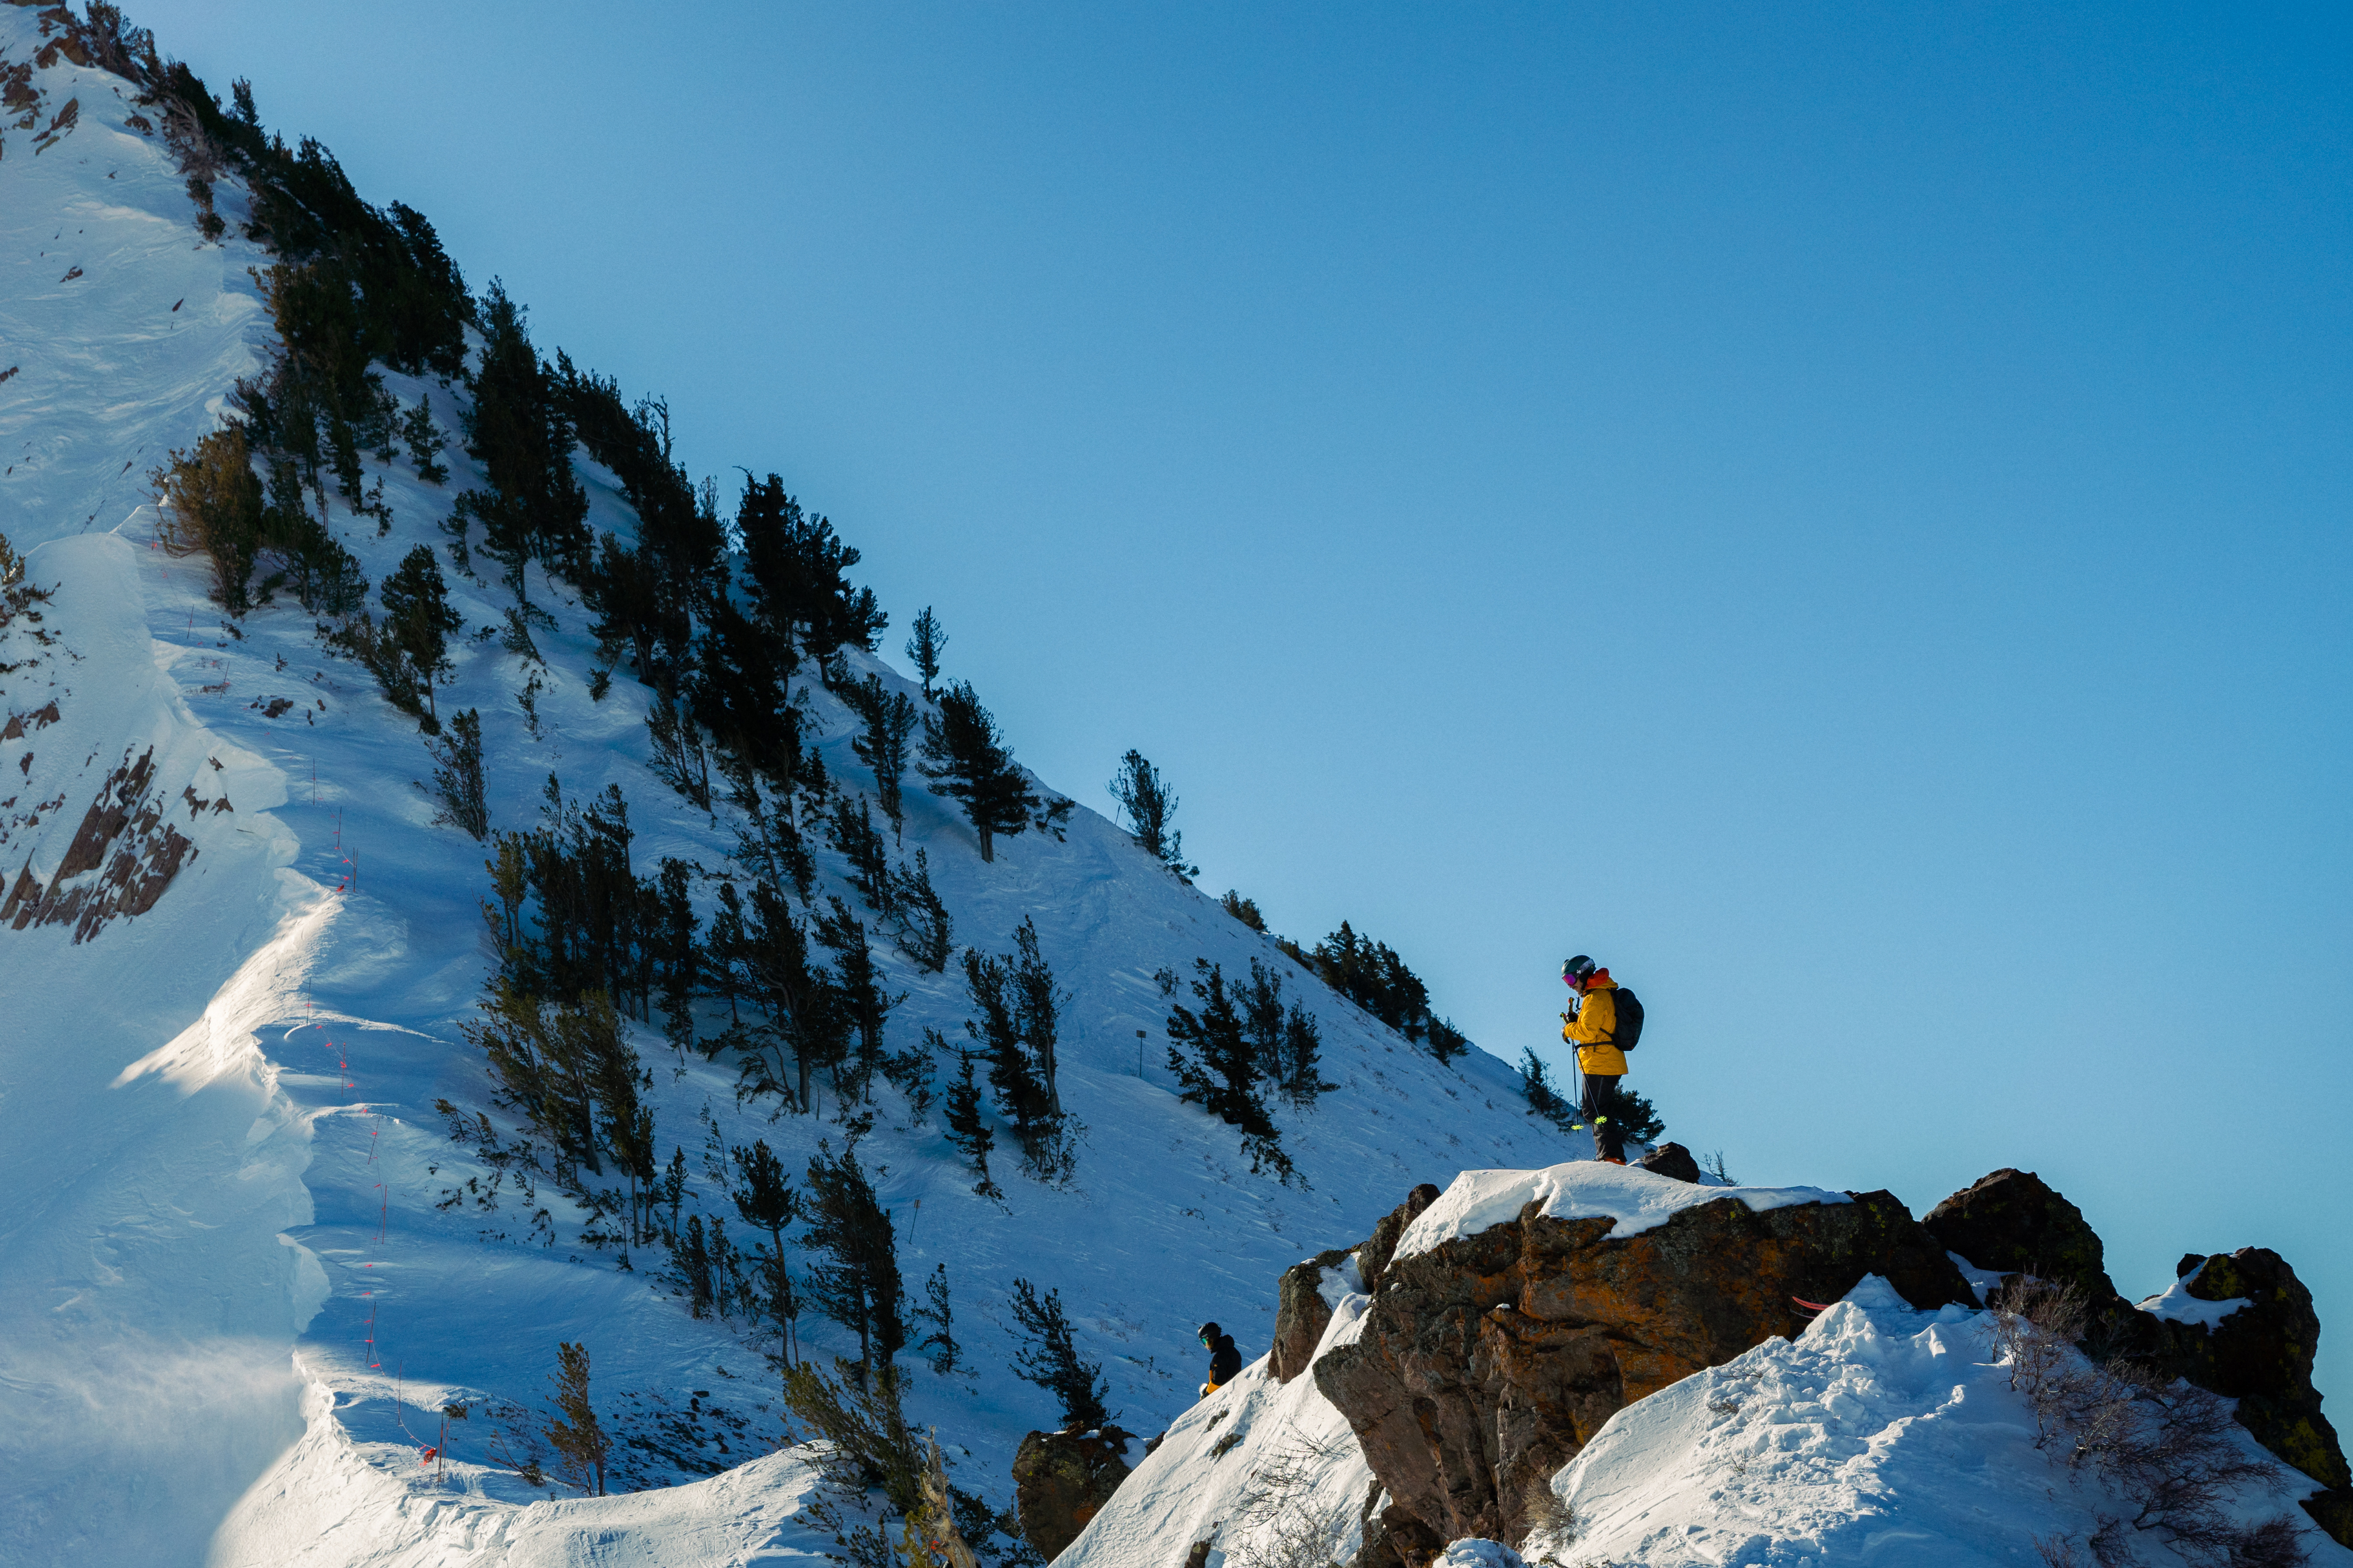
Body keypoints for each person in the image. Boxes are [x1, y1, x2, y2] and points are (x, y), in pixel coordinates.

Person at [1560, 955, 1630, 1166]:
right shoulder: (1598, 995)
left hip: (1601, 1061)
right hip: (1602, 1060)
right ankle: (1610, 1155)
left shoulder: (1596, 998)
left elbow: (1588, 1031)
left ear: (1583, 974)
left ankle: (1611, 1156)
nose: (1571, 986)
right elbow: (1595, 1026)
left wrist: (1568, 1029)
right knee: (1597, 1110)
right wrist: (1578, 1021)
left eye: (1571, 980)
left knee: (1596, 1111)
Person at [1197, 1321, 1241, 1397]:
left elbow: (1218, 1381)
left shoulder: (1220, 1356)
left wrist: (1206, 1396)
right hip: (1234, 1392)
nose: (1204, 1344)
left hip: (1225, 1396)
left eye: (1204, 1340)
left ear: (1211, 1338)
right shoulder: (1233, 1351)